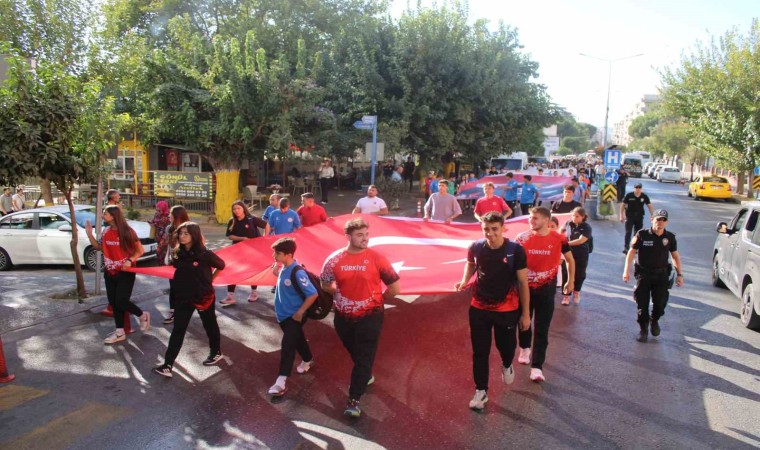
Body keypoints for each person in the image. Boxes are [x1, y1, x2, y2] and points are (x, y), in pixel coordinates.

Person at [320, 218, 401, 418]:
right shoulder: (334, 259)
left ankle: (353, 400)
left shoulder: (377, 258)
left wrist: (377, 300)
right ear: (348, 236)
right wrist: (338, 294)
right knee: (357, 354)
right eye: (359, 235)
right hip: (342, 317)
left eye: (366, 234)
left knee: (364, 356)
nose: (365, 238)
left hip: (371, 316)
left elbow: (395, 288)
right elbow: (324, 283)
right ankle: (365, 373)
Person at [455, 212, 530, 411]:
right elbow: (470, 264)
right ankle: (481, 391)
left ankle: (507, 363)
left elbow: (523, 283)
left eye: (494, 229)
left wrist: (525, 315)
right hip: (479, 306)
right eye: (486, 229)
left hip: (507, 309)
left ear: (503, 228)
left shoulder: (516, 251)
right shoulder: (476, 247)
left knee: (506, 347)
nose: (490, 234)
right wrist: (465, 281)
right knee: (480, 351)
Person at [152, 222, 226, 377]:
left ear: (194, 235)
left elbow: (221, 265)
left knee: (209, 325)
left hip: (203, 296)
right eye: (180, 233)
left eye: (186, 233)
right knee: (178, 330)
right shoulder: (178, 252)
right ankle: (168, 365)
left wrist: (209, 280)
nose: (182, 236)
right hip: (183, 297)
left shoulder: (205, 254)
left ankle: (216, 352)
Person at [515, 207, 574, 382]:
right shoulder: (522, 239)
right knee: (524, 322)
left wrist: (570, 281)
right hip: (524, 289)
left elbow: (570, 260)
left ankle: (537, 367)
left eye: (535, 218)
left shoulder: (559, 239)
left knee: (542, 328)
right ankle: (525, 347)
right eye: (530, 218)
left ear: (547, 221)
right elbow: (513, 265)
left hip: (547, 290)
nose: (531, 221)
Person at [85, 205, 148, 344]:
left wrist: (130, 260)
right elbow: (98, 248)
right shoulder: (106, 231)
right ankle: (120, 332)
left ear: (114, 216)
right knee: (114, 303)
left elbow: (140, 250)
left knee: (121, 300)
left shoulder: (127, 231)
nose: (103, 216)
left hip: (125, 272)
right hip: (109, 271)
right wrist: (89, 234)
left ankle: (142, 315)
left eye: (105, 214)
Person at [267, 238, 318, 396]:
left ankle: (281, 381)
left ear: (288, 255)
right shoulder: (283, 267)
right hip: (283, 316)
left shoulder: (298, 272)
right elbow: (286, 283)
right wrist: (277, 272)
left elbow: (312, 294)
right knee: (298, 339)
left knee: (288, 345)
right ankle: (308, 359)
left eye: (278, 253)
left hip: (293, 316)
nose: (274, 255)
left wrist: (300, 312)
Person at [623, 209, 684, 342]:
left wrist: (679, 274)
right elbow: (632, 252)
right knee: (642, 304)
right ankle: (643, 329)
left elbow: (675, 256)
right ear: (652, 220)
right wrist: (626, 270)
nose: (660, 223)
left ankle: (654, 320)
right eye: (658, 220)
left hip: (661, 275)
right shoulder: (642, 234)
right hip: (643, 274)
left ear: (666, 222)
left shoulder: (670, 237)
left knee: (660, 304)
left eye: (663, 220)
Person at [221, 200, 267, 306]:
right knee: (233, 271)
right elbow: (230, 236)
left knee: (252, 270)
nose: (236, 211)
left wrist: (265, 238)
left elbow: (267, 225)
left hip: (253, 251)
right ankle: (230, 296)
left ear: (243, 209)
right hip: (237, 250)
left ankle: (254, 293)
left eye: (238, 208)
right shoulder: (232, 221)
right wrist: (242, 238)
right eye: (234, 209)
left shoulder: (251, 219)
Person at [162, 205, 191, 324]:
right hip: (173, 262)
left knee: (185, 288)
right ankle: (173, 311)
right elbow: (167, 243)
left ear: (177, 216)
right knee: (173, 288)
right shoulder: (169, 228)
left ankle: (186, 310)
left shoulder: (189, 227)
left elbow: (200, 242)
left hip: (186, 263)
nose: (169, 216)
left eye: (171, 214)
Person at [563, 207, 592, 305]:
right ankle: (566, 295)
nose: (574, 218)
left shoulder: (586, 227)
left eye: (577, 216)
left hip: (581, 254)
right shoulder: (568, 223)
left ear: (583, 217)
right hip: (568, 253)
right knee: (566, 273)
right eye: (573, 216)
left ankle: (576, 291)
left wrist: (566, 244)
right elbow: (561, 233)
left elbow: (581, 240)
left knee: (579, 274)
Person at [620, 183, 655, 254]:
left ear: (641, 189)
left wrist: (653, 216)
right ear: (634, 188)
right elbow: (623, 205)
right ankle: (626, 247)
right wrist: (621, 215)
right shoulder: (629, 195)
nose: (638, 189)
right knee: (628, 232)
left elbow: (649, 206)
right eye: (636, 188)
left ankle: (634, 247)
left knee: (637, 233)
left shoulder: (644, 196)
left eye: (639, 188)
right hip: (630, 216)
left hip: (639, 217)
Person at [150, 201, 171, 266]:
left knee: (160, 251)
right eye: (157, 209)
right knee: (160, 252)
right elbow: (153, 221)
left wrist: (157, 224)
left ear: (164, 208)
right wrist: (152, 223)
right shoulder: (156, 214)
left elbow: (170, 226)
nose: (158, 211)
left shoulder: (169, 215)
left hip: (165, 236)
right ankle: (161, 266)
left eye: (159, 209)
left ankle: (165, 266)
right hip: (158, 235)